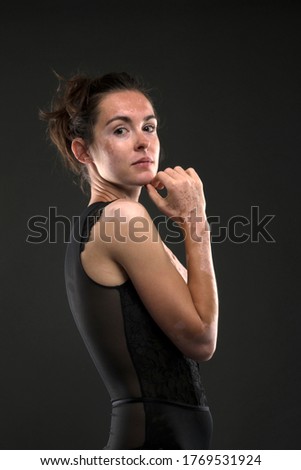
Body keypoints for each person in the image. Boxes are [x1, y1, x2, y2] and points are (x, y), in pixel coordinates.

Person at [40, 71, 219, 450]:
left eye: (149, 127)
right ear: (83, 151)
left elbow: (199, 314)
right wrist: (195, 219)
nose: (143, 142)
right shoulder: (122, 219)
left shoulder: (120, 221)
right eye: (121, 130)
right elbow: (202, 338)